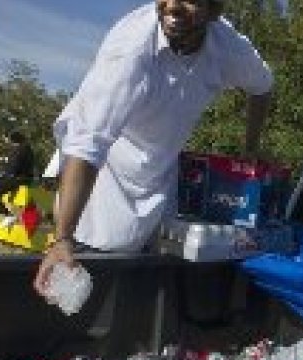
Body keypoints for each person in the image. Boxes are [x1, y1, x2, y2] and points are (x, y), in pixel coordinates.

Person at [33, 0, 273, 297]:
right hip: (101, 188)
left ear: (214, 11)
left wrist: (250, 150)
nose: (172, 5)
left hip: (161, 183)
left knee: (146, 295)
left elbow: (262, 86)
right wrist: (62, 240)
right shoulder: (129, 50)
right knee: (95, 289)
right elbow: (87, 143)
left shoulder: (228, 46)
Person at [0, 130, 35, 227]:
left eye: (6, 139)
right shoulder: (24, 148)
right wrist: (4, 162)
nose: (6, 141)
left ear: (12, 139)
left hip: (18, 179)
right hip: (22, 178)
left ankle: (8, 215)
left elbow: (13, 168)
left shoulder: (19, 150)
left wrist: (4, 172)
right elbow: (13, 162)